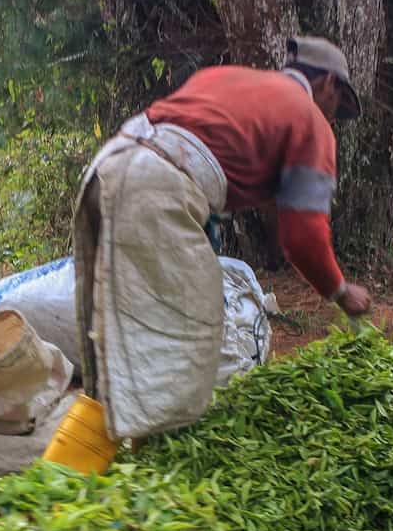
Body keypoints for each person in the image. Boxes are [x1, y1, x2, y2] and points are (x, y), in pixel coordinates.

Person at [72, 36, 371, 443]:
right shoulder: (310, 121)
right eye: (337, 106)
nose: (332, 118)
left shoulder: (229, 79)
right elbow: (303, 237)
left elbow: (209, 150)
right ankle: (160, 457)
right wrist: (340, 290)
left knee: (109, 323)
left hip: (109, 166)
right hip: (155, 187)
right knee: (188, 332)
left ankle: (87, 451)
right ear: (328, 84)